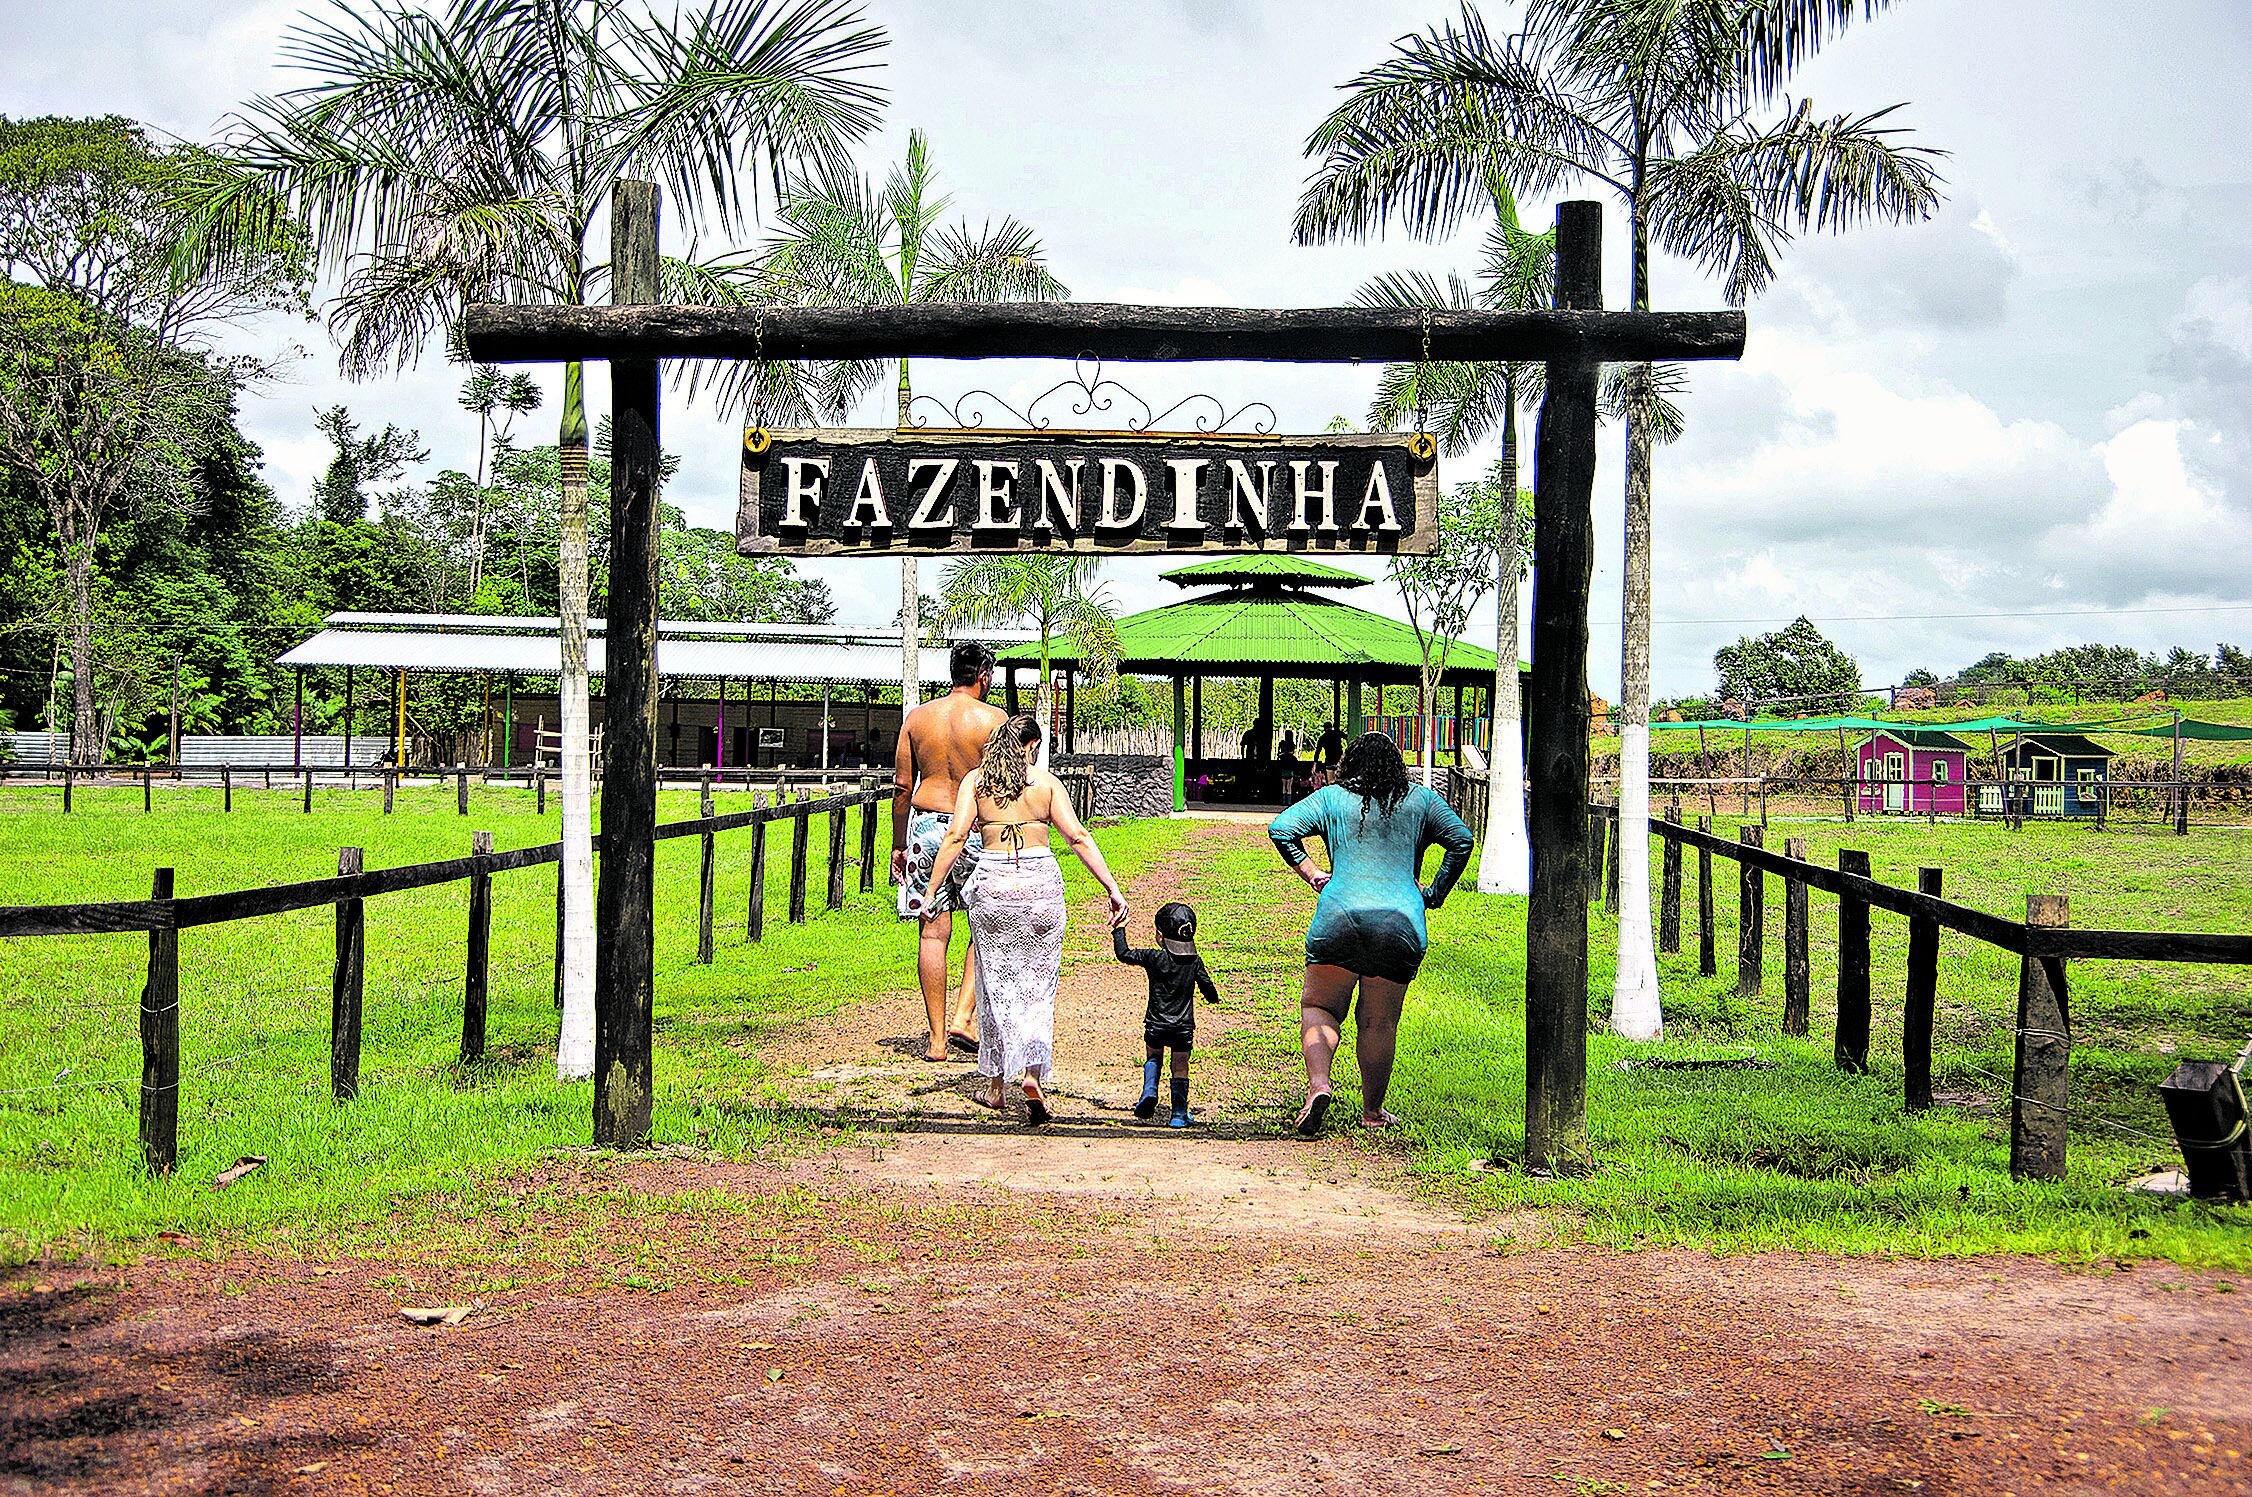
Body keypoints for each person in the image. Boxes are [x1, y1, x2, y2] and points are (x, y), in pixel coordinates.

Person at [920, 714, 1129, 1125]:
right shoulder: (1047, 784)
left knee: (993, 982)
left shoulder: (976, 782)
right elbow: (1078, 838)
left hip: (993, 885)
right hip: (1041, 888)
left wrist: (931, 890)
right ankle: (1033, 1074)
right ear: (1032, 746)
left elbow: (956, 837)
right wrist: (1112, 888)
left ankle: (996, 1086)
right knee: (1038, 985)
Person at [1265, 732, 1473, 1137]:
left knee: (1320, 1007)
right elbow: (1461, 840)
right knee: (1378, 1023)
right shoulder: (1422, 800)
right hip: (1399, 924)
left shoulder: (1331, 798)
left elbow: (1282, 827)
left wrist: (1311, 872)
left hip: (1337, 919)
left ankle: (1320, 1086)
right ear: (1397, 765)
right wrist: (1433, 893)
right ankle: (1373, 1112)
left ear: (1348, 765)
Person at [893, 641, 1007, 1063]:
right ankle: (963, 1015)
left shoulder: (917, 718)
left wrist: (899, 843)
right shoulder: (994, 720)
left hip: (925, 827)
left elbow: (902, 786)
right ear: (984, 676)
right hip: (976, 827)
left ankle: (937, 1040)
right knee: (987, 926)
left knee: (932, 931)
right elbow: (1004, 784)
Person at [1114, 902, 1218, 1129]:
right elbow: (1209, 989)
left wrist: (1118, 929)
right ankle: (1179, 1115)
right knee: (1180, 1067)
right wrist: (1213, 998)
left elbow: (1124, 954)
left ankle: (1149, 1092)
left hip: (1156, 1024)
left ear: (1160, 935)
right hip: (1183, 1027)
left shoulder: (1154, 957)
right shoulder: (1194, 961)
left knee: (1153, 1058)